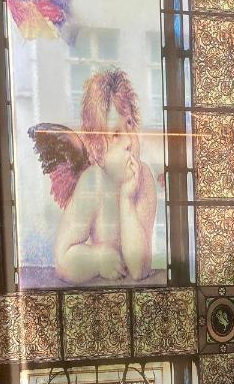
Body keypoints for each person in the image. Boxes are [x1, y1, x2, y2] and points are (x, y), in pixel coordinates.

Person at [35, 69, 157, 283]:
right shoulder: (93, 183)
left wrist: (127, 199)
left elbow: (140, 270)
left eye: (129, 123)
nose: (129, 141)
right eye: (116, 134)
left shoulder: (144, 177)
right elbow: (63, 260)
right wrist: (98, 259)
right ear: (98, 148)